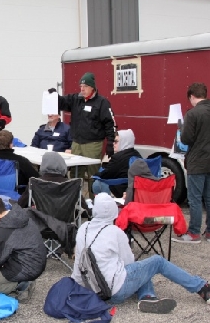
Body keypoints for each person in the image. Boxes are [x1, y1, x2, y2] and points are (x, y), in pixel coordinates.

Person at [71, 193, 210, 314]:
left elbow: (78, 263)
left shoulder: (83, 228)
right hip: (115, 291)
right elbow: (129, 263)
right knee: (156, 261)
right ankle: (201, 287)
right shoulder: (115, 232)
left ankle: (148, 297)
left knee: (143, 269)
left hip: (91, 289)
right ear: (113, 211)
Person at [49, 72, 116, 198]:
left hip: (93, 144)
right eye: (81, 86)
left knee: (93, 174)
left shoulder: (102, 102)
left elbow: (109, 123)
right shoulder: (76, 99)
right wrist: (54, 96)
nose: (82, 89)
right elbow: (62, 103)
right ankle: (76, 201)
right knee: (75, 174)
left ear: (92, 87)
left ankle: (95, 202)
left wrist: (110, 143)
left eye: (85, 86)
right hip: (77, 143)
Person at [0, 195, 46, 303]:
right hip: (37, 262)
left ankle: (21, 285)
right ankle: (21, 281)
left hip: (24, 268)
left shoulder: (1, 232)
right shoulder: (20, 214)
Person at [172, 83, 210, 243]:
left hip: (197, 161)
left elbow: (186, 138)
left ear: (192, 96)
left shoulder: (193, 114)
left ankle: (194, 232)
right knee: (209, 197)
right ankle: (209, 232)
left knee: (194, 198)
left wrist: (181, 129)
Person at [18, 152, 90, 217]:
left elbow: (20, 205)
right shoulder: (72, 184)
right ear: (63, 165)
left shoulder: (35, 182)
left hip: (40, 224)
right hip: (65, 227)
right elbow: (86, 211)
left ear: (43, 165)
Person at [92, 129, 141, 198]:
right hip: (134, 189)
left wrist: (95, 175)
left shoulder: (118, 158)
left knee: (97, 184)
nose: (113, 144)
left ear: (123, 142)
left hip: (120, 190)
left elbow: (105, 174)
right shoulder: (136, 154)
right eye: (113, 141)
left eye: (116, 142)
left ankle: (101, 205)